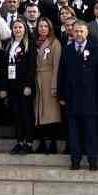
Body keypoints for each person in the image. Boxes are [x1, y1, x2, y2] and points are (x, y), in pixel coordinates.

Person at [57, 20, 98, 171]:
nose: (78, 34)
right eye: (76, 31)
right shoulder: (68, 49)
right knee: (73, 131)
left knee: (91, 131)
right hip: (72, 97)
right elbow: (61, 74)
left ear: (86, 33)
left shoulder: (96, 49)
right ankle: (75, 160)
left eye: (81, 31)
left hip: (90, 97)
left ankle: (92, 160)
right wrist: (61, 95)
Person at [32, 17, 63, 155]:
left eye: (45, 26)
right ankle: (42, 142)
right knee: (39, 113)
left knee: (51, 114)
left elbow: (57, 66)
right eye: (40, 26)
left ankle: (52, 143)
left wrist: (54, 85)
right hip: (37, 80)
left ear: (49, 28)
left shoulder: (55, 43)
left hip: (49, 79)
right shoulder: (34, 43)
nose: (42, 29)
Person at [5, 19, 36, 155]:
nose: (17, 30)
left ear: (25, 29)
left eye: (20, 27)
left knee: (26, 114)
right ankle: (19, 142)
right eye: (15, 27)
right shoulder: (9, 44)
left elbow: (32, 65)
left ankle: (28, 143)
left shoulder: (30, 43)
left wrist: (28, 84)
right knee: (16, 114)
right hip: (12, 84)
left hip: (24, 85)